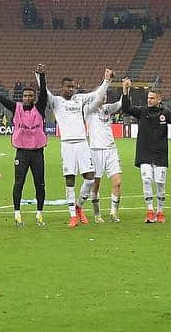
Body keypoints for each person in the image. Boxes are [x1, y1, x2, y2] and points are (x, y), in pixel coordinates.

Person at [35, 64, 112, 227]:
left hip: (82, 143)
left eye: (73, 87)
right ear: (61, 88)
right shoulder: (56, 101)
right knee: (70, 180)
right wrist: (39, 75)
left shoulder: (80, 99)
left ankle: (78, 207)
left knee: (90, 179)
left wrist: (106, 80)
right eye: (68, 87)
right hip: (67, 145)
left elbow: (97, 94)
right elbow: (44, 92)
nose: (71, 89)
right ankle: (72, 216)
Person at [0, 77, 49, 227]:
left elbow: (44, 95)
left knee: (39, 184)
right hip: (21, 152)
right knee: (18, 183)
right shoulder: (17, 108)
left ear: (34, 98)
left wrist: (41, 76)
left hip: (37, 152)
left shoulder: (39, 108)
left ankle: (39, 214)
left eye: (30, 96)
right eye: (25, 96)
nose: (27, 98)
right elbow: (0, 98)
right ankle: (17, 214)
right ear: (22, 98)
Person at [121, 84, 171, 223]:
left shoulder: (165, 113)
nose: (149, 100)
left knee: (160, 183)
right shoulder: (143, 111)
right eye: (148, 98)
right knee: (146, 180)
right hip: (144, 153)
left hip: (160, 154)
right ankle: (150, 210)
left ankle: (160, 211)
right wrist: (126, 92)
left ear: (159, 99)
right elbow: (126, 108)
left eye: (152, 98)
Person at [83, 78, 128, 223]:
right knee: (95, 185)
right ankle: (97, 215)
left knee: (117, 182)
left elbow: (122, 103)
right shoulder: (88, 110)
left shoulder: (108, 108)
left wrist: (125, 89)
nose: (104, 98)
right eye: (101, 95)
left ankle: (114, 213)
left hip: (111, 150)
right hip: (95, 151)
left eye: (105, 96)